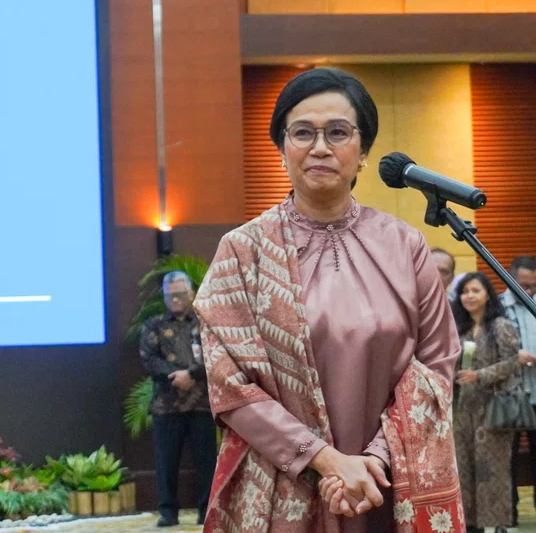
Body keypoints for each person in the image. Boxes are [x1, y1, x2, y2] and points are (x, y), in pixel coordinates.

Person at [193, 67, 462, 532]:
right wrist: (326, 460)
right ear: (282, 149)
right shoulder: (244, 251)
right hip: (284, 479)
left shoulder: (404, 245)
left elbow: (436, 364)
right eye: (302, 133)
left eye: (338, 132)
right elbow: (229, 386)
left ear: (362, 152)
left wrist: (372, 460)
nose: (320, 147)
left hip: (388, 482)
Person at [139, 271, 217, 527]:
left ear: (191, 294)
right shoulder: (154, 324)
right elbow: (148, 358)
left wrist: (192, 374)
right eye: (170, 295)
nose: (175, 299)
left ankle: (206, 511)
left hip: (202, 404)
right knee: (166, 462)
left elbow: (217, 354)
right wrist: (175, 376)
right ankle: (168, 512)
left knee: (206, 461)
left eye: (180, 294)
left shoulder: (206, 322)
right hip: (166, 405)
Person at [452, 272, 519, 533]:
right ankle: (470, 525)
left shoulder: (500, 325)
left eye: (475, 291)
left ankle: (497, 525)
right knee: (465, 470)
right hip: (463, 410)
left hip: (492, 409)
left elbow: (512, 363)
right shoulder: (462, 328)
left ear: (488, 295)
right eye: (465, 291)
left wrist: (479, 375)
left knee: (492, 471)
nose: (469, 296)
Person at [500, 256, 536, 525]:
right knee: (506, 459)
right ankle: (508, 518)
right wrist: (514, 357)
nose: (528, 291)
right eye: (522, 285)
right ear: (510, 278)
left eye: (533, 286)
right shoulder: (496, 308)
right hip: (507, 396)